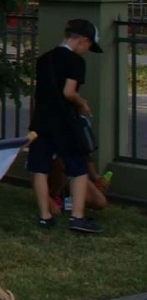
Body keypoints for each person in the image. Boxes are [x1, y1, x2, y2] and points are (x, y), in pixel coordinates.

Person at [28, 18, 102, 234]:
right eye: (89, 46)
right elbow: (68, 92)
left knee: (39, 167)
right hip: (64, 122)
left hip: (41, 120)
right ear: (83, 41)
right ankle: (77, 217)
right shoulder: (76, 62)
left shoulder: (44, 59)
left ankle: (45, 216)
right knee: (77, 168)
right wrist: (83, 103)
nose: (87, 51)